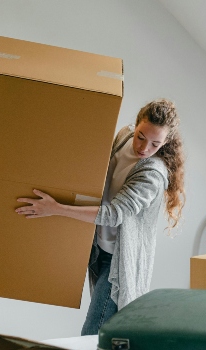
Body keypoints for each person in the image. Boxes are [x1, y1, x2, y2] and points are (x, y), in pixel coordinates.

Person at [15, 98, 185, 335]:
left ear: (166, 142)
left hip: (120, 260)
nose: (144, 148)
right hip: (99, 249)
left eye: (155, 144)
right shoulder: (123, 138)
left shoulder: (152, 174)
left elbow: (113, 214)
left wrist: (56, 208)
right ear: (135, 126)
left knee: (94, 332)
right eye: (141, 137)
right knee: (110, 334)